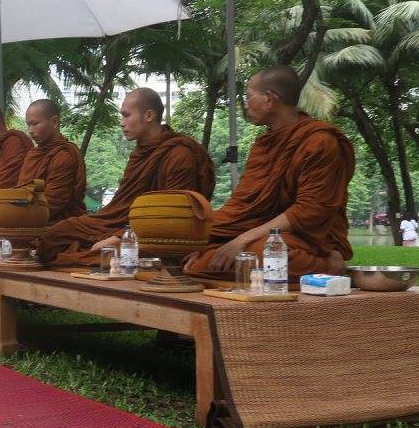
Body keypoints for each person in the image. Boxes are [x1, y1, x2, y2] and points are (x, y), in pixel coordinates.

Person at [184, 65, 355, 282]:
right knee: (191, 250)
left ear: (268, 99)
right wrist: (209, 238)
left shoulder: (320, 142)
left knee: (263, 254)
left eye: (249, 96)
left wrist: (242, 240)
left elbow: (309, 211)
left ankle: (328, 265)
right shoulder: (264, 145)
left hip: (309, 238)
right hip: (263, 232)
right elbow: (243, 204)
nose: (246, 103)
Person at [38, 88, 215, 266]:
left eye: (126, 115)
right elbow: (120, 208)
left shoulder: (179, 154)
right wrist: (116, 234)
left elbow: (173, 216)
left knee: (113, 250)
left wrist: (121, 237)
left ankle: (91, 255)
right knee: (56, 236)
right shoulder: (141, 152)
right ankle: (89, 254)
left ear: (149, 116)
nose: (122, 123)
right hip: (116, 224)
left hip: (153, 231)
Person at [6, 99, 86, 222]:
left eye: (35, 124)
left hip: (59, 220)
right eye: (28, 125)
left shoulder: (64, 156)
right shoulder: (33, 154)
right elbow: (22, 191)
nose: (30, 130)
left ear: (54, 122)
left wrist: (18, 215)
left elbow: (53, 202)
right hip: (28, 214)